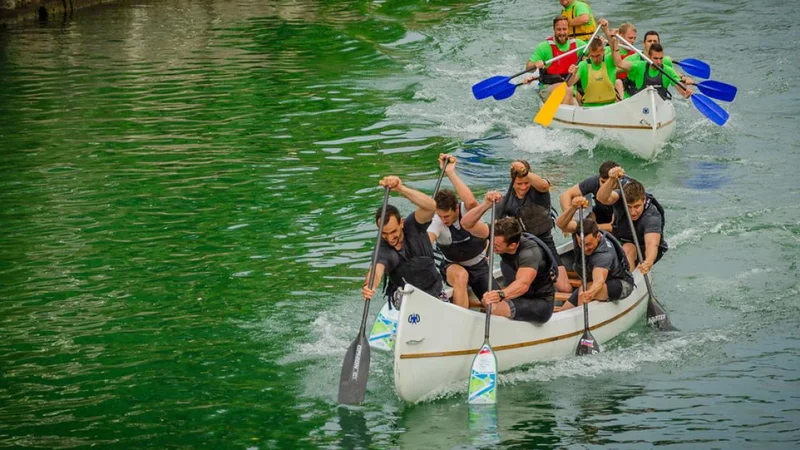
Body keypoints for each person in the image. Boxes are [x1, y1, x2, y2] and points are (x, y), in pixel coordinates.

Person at [463, 160, 571, 293]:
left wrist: (525, 172)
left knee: (564, 288)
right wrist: (487, 253)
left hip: (545, 242)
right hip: (522, 246)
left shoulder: (539, 190)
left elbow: (543, 186)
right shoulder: (504, 201)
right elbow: (495, 231)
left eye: (526, 183)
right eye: (519, 184)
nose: (523, 187)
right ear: (512, 181)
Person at [427, 154, 495, 309]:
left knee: (496, 303)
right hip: (452, 266)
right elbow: (427, 240)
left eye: (447, 216)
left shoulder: (466, 210)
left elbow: (471, 202)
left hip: (479, 265)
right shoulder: (436, 221)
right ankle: (460, 321)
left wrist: (450, 172)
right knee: (461, 276)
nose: (444, 220)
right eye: (440, 216)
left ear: (456, 208)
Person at [362, 176, 443, 303]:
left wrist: (401, 189)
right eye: (384, 233)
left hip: (433, 291)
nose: (390, 238)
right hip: (403, 299)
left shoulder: (413, 225)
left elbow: (431, 207)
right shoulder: (382, 249)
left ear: (401, 223)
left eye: (393, 231)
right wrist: (369, 285)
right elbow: (376, 269)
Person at [480, 208, 557, 323]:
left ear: (512, 245)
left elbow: (523, 285)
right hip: (518, 297)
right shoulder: (501, 239)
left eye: (496, 245)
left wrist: (500, 294)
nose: (492, 247)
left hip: (541, 302)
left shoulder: (530, 253)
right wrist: (486, 204)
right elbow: (468, 224)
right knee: (485, 301)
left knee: (493, 307)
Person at [595, 167, 668, 274]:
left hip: (644, 247)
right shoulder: (620, 196)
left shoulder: (652, 216)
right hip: (624, 239)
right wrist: (611, 179)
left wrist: (648, 261)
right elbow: (601, 198)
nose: (633, 212)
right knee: (624, 247)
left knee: (628, 248)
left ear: (643, 200)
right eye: (629, 207)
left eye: (636, 206)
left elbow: (652, 244)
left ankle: (630, 279)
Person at [557, 216, 635, 311]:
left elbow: (599, 280)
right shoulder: (580, 232)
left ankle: (582, 319)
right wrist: (573, 207)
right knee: (563, 311)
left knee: (585, 289)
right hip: (590, 283)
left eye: (588, 244)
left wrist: (590, 294)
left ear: (598, 237)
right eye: (581, 244)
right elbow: (561, 224)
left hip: (620, 284)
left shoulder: (604, 255)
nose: (585, 249)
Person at [610, 31, 694, 100]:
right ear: (649, 57)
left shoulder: (668, 70)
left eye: (661, 58)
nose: (658, 62)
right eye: (655, 58)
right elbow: (618, 63)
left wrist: (687, 91)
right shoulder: (639, 66)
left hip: (659, 105)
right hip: (637, 102)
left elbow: (684, 94)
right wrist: (614, 41)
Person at [525, 16, 587, 101]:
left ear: (568, 29)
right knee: (567, 89)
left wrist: (604, 36)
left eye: (564, 29)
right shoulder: (544, 47)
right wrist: (535, 64)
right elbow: (529, 68)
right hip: (548, 88)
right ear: (553, 29)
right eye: (558, 29)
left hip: (572, 88)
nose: (562, 33)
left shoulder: (578, 44)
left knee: (571, 90)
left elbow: (596, 52)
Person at [563, 18, 617, 107]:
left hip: (610, 105)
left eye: (598, 56)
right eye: (593, 56)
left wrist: (606, 30)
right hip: (590, 107)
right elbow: (570, 84)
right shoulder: (583, 65)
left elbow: (614, 47)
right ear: (589, 52)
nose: (595, 59)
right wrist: (572, 74)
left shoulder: (610, 60)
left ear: (603, 51)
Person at [558, 160, 621, 233]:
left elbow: (612, 227)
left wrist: (588, 228)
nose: (604, 186)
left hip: (619, 224)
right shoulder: (594, 181)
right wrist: (569, 219)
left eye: (609, 183)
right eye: (603, 182)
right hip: (599, 216)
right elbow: (565, 195)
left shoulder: (624, 187)